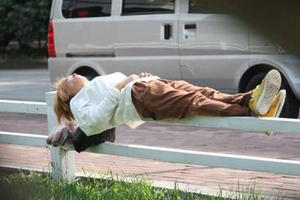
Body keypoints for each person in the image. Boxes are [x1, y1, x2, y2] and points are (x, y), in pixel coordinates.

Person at [47, 69, 286, 151]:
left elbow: (118, 90)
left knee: (202, 92)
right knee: (194, 102)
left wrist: (139, 78)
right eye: (67, 80)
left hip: (146, 85)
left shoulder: (95, 85)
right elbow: (94, 123)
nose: (72, 75)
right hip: (138, 98)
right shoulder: (79, 104)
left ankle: (251, 100)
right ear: (67, 97)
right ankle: (255, 115)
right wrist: (121, 86)